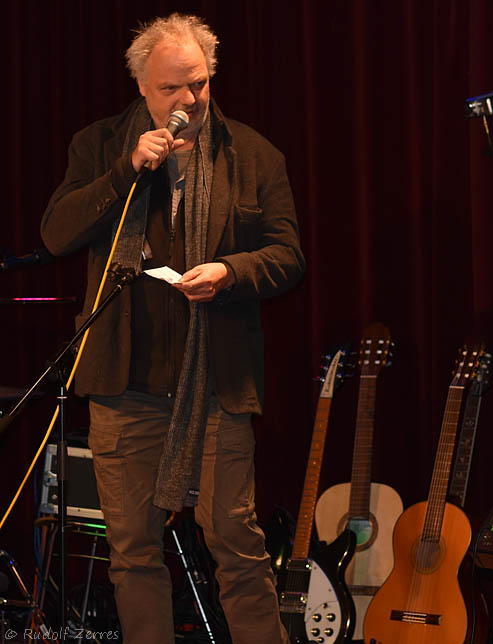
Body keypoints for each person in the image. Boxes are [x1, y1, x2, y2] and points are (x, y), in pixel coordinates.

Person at [41, 12, 304, 644]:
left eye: (200, 84)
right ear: (141, 86)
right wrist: (125, 170)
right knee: (132, 553)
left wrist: (232, 271)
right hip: (124, 383)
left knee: (236, 544)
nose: (189, 100)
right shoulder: (100, 145)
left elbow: (288, 255)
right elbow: (56, 234)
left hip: (216, 384)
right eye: (171, 88)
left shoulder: (253, 154)